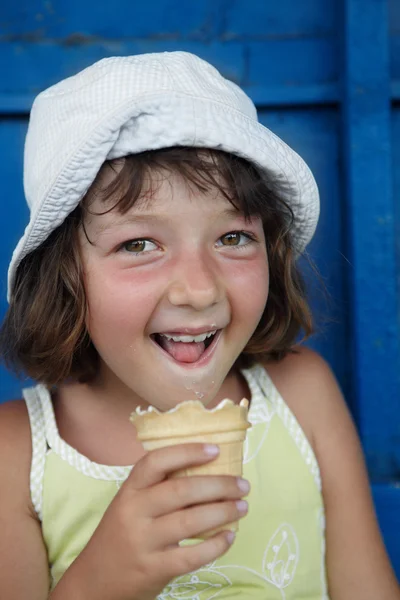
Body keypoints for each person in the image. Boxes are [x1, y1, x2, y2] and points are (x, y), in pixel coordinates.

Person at [0, 51, 398, 600]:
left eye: (232, 238)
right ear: (64, 278)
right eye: (139, 244)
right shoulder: (16, 455)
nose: (200, 289)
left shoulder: (303, 394)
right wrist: (99, 581)